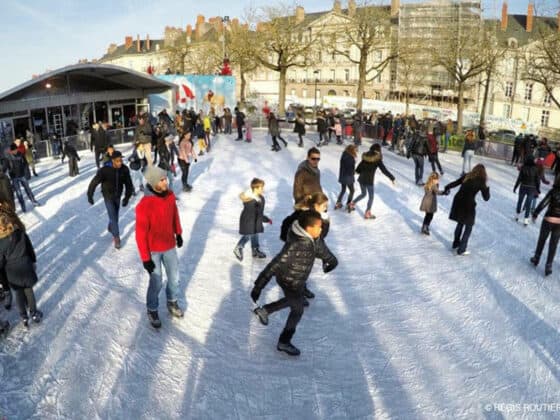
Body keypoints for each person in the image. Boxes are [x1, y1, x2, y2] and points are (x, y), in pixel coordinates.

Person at [250, 210, 338, 356]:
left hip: (300, 279)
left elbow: (324, 252)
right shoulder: (295, 244)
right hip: (287, 280)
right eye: (319, 227)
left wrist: (332, 262)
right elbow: (275, 264)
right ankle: (284, 342)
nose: (321, 230)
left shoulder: (314, 239)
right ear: (308, 228)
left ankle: (265, 310)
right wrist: (258, 286)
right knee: (298, 309)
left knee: (296, 301)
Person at [136, 166, 184, 328]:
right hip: (153, 250)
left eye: (166, 179)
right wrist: (145, 259)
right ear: (154, 182)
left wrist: (178, 232)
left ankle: (172, 301)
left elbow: (174, 215)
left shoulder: (170, 196)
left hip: (169, 245)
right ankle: (152, 308)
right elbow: (140, 235)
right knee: (156, 282)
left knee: (175, 278)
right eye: (162, 180)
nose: (166, 182)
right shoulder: (144, 205)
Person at [280, 192, 330, 306]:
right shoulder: (308, 216)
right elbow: (319, 235)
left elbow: (321, 236)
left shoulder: (316, 215)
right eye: (324, 206)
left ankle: (303, 289)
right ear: (316, 205)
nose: (326, 208)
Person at [0, 203, 42, 327]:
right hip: (26, 265)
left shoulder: (0, 243)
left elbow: (1, 261)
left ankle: (23, 317)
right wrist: (33, 261)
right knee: (29, 291)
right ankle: (34, 313)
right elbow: (30, 249)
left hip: (12, 271)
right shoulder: (21, 233)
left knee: (18, 294)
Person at [87, 150, 134, 249]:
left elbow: (129, 184)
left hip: (118, 195)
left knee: (115, 217)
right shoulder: (105, 170)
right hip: (108, 196)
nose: (120, 162)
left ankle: (111, 226)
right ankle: (117, 237)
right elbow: (95, 182)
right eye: (117, 161)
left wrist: (127, 197)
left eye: (121, 160)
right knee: (113, 216)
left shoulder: (124, 169)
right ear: (113, 160)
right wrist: (90, 195)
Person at [444, 164, 490, 256]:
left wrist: (447, 187)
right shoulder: (481, 181)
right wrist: (487, 188)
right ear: (483, 173)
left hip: (458, 200)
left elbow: (455, 183)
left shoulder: (467, 176)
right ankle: (462, 249)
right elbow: (486, 198)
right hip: (468, 204)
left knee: (460, 222)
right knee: (469, 226)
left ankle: (456, 243)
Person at [349, 143, 395, 219]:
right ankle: (368, 212)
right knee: (371, 197)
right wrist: (392, 178)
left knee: (363, 194)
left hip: (361, 179)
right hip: (369, 181)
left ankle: (352, 203)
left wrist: (356, 171)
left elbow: (359, 167)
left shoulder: (366, 156)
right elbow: (384, 170)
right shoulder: (377, 159)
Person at [233, 178, 271, 261]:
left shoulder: (260, 198)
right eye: (261, 188)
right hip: (248, 220)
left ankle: (255, 250)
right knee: (248, 235)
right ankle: (238, 248)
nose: (263, 189)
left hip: (255, 220)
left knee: (255, 233)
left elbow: (260, 212)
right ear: (255, 188)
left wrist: (266, 219)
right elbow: (252, 210)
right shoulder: (250, 199)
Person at [531, 177, 560, 276]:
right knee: (554, 244)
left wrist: (535, 213)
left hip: (549, 219)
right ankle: (548, 265)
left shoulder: (553, 191)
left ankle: (536, 258)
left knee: (542, 239)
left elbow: (544, 203)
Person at [6, 144, 40, 212]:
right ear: (11, 151)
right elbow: (6, 167)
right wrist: (9, 172)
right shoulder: (8, 157)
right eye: (13, 150)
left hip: (22, 175)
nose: (15, 151)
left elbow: (25, 163)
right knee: (19, 193)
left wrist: (25, 172)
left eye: (15, 150)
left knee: (28, 189)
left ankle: (33, 201)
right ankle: (23, 206)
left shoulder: (20, 154)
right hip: (14, 177)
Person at [513, 155, 540, 225]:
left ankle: (517, 216)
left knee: (520, 202)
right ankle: (526, 220)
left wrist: (515, 187)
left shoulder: (523, 168)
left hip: (523, 187)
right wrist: (538, 189)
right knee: (528, 204)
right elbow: (537, 180)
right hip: (531, 188)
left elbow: (519, 178)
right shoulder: (536, 169)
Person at [335, 145, 357, 211]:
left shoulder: (344, 155)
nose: (356, 151)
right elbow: (349, 169)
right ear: (351, 150)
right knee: (352, 190)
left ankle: (338, 203)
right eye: (355, 150)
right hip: (348, 177)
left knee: (343, 190)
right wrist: (353, 172)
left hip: (342, 176)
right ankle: (348, 204)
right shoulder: (350, 157)